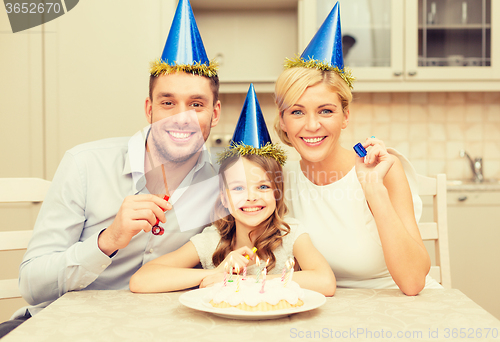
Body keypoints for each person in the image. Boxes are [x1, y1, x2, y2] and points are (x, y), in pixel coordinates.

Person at [0, 0, 220, 338]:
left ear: (215, 114)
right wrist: (108, 240)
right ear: (149, 109)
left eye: (196, 104)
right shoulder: (85, 164)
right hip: (63, 327)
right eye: (167, 102)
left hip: (162, 330)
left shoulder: (225, 180)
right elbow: (32, 285)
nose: (182, 117)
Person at [273, 2, 440, 296]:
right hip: (322, 305)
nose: (312, 126)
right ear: (283, 120)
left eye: (325, 111)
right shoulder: (279, 178)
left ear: (345, 116)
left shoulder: (382, 171)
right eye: (297, 112)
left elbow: (414, 283)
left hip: (395, 304)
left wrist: (373, 188)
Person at [129, 84, 336, 296]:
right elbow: (141, 281)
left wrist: (250, 281)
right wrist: (218, 273)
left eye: (263, 186)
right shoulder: (213, 240)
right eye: (238, 188)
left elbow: (325, 282)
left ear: (277, 193)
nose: (251, 197)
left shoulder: (290, 235)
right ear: (224, 198)